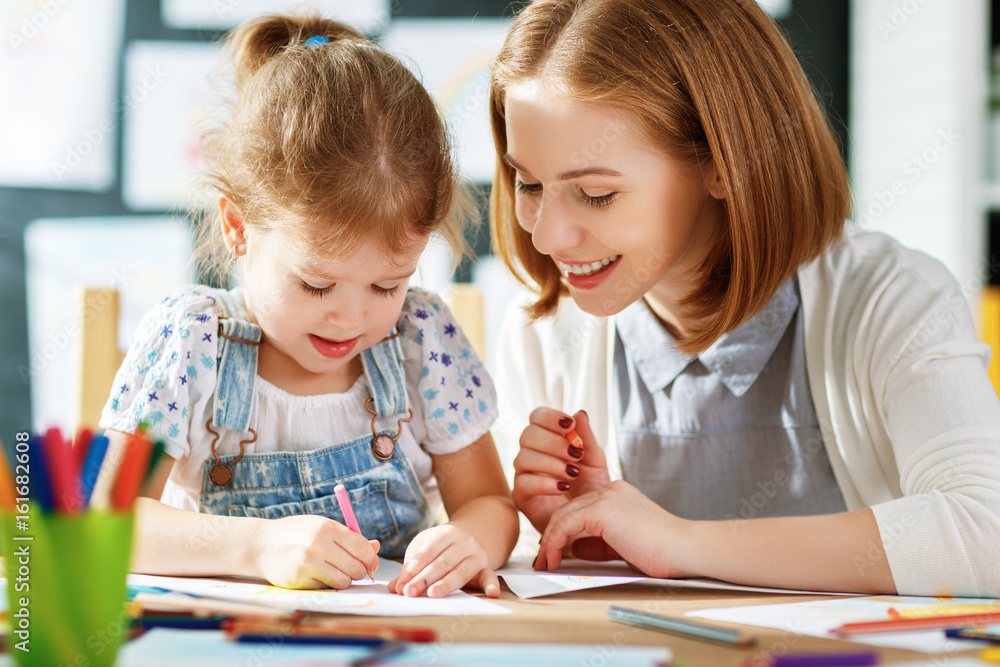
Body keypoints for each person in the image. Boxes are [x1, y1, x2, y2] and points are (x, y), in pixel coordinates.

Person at [489, 0, 1000, 596]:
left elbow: (985, 532)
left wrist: (680, 543)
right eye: (529, 183)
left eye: (596, 194)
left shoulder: (892, 299)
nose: (547, 235)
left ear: (726, 163)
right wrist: (576, 542)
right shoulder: (542, 334)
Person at [95, 13, 517, 597]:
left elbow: (490, 503)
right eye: (317, 286)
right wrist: (257, 546)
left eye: (387, 285)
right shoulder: (191, 340)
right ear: (238, 227)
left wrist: (468, 539)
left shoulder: (422, 340)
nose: (349, 317)